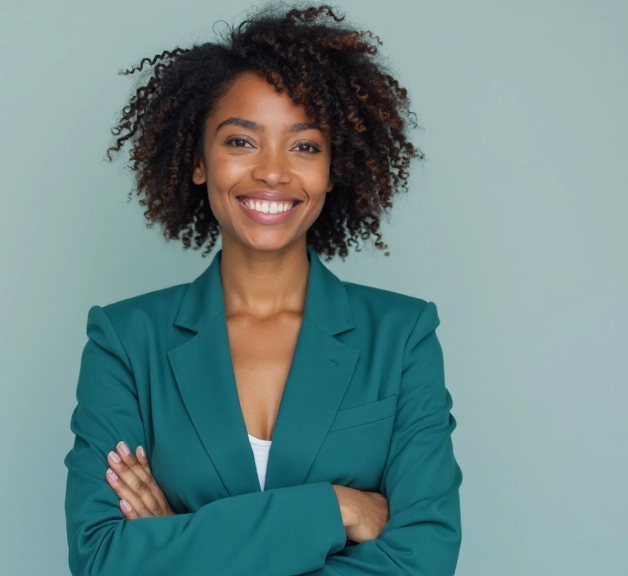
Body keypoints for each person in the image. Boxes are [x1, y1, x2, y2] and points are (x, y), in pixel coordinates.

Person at [64, 5, 462, 575]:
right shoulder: (126, 341)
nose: (273, 172)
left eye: (305, 146)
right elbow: (102, 559)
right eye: (241, 142)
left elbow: (423, 562)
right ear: (199, 161)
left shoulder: (402, 337)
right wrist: (331, 508)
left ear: (333, 169)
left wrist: (179, 542)